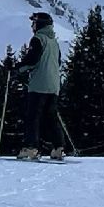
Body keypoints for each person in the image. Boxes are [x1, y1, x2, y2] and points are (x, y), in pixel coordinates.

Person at [16, 11, 65, 161]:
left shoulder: (38, 39)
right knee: (51, 117)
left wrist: (17, 68)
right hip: (54, 85)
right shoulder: (54, 42)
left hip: (39, 85)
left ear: (40, 24)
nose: (32, 25)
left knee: (33, 116)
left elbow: (32, 60)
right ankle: (58, 148)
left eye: (34, 22)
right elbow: (59, 62)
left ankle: (31, 148)